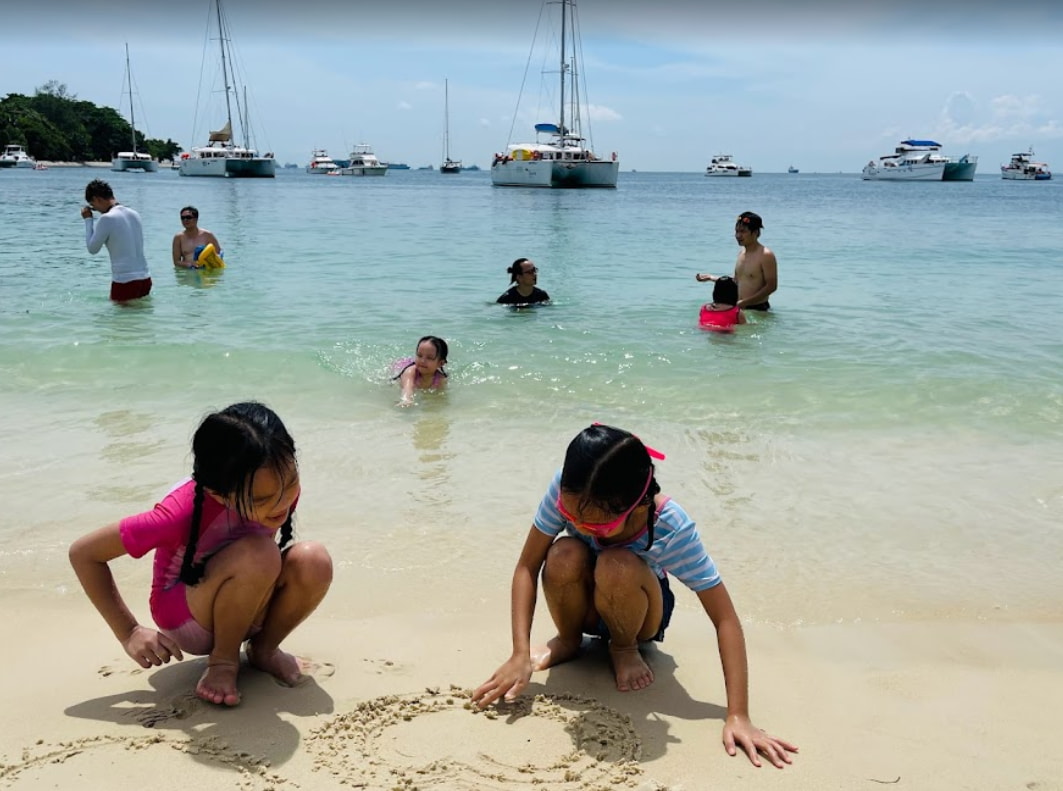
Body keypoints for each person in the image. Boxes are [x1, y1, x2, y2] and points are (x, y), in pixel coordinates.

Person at [472, 424, 797, 769]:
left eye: (597, 525)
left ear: (639, 504)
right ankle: (568, 639)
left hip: (639, 609)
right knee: (563, 551)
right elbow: (527, 566)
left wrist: (738, 715)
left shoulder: (671, 525)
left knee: (617, 564)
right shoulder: (570, 488)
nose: (581, 525)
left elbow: (725, 618)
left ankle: (623, 648)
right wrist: (519, 652)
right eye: (571, 515)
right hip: (582, 598)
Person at [68, 402, 333, 707]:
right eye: (262, 499)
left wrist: (276, 496)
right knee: (260, 553)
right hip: (189, 618)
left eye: (290, 484)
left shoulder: (276, 481)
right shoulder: (178, 513)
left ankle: (264, 650)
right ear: (217, 492)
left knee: (315, 560)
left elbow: (277, 512)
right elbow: (84, 554)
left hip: (247, 596)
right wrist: (129, 631)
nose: (282, 503)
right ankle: (222, 662)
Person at [81, 179, 152, 302]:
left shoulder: (107, 218)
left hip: (125, 281)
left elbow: (92, 249)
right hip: (145, 278)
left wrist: (88, 220)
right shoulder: (134, 213)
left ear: (97, 199)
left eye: (93, 205)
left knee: (120, 320)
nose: (95, 210)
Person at [695, 211, 777, 311]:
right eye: (736, 231)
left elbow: (771, 286)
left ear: (755, 232)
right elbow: (737, 281)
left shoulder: (766, 255)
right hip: (739, 307)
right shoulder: (741, 253)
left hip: (758, 310)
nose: (738, 235)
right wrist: (711, 278)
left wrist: (745, 302)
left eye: (742, 231)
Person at [392, 336, 448, 406]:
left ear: (440, 363)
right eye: (419, 355)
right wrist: (406, 400)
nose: (422, 361)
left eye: (429, 358)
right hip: (401, 365)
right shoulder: (410, 372)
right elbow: (407, 388)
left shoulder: (440, 379)